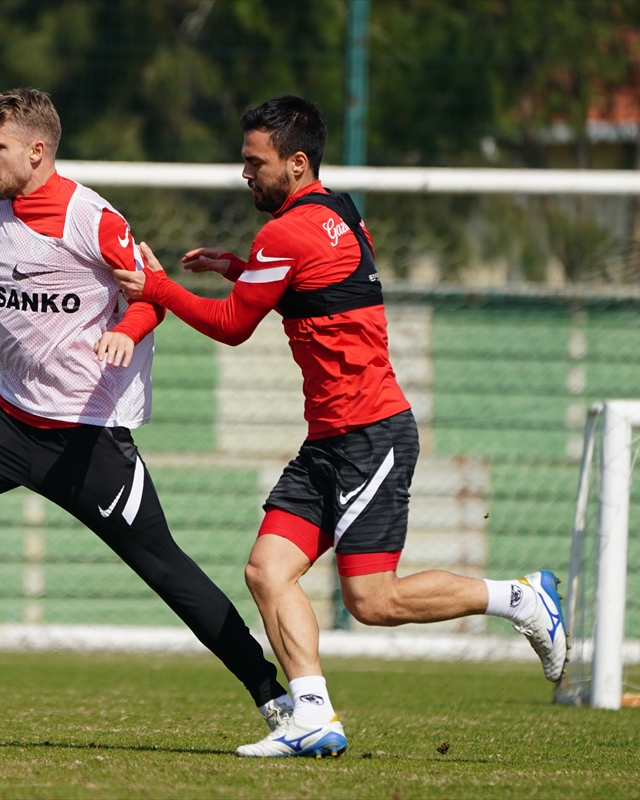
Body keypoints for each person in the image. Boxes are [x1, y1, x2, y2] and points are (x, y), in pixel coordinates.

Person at [112, 95, 567, 759]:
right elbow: (325, 284)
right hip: (330, 438)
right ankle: (314, 717)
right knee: (268, 570)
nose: (246, 175)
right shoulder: (340, 209)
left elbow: (233, 327)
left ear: (295, 163)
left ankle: (521, 599)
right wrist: (241, 269)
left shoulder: (285, 233)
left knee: (372, 600)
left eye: (255, 163)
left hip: (369, 434)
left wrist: (155, 288)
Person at [0, 87, 292, 735]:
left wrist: (128, 330)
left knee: (165, 568)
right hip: (6, 424)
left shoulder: (94, 217)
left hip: (87, 442)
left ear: (37, 150)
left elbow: (150, 293)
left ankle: (274, 697)